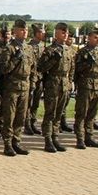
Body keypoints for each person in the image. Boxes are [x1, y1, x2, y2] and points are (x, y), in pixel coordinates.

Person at [0, 19, 36, 156]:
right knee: (10, 117)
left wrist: (33, 83)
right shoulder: (9, 48)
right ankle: (7, 144)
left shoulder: (29, 48)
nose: (25, 32)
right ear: (15, 31)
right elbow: (4, 69)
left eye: (26, 30)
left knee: (21, 116)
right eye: (22, 30)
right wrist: (15, 59)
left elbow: (33, 69)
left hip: (25, 86)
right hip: (12, 87)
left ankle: (16, 142)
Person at [37, 22, 75, 152]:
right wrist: (53, 59)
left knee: (59, 113)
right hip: (53, 83)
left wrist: (70, 82)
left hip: (64, 84)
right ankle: (48, 140)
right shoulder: (50, 50)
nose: (65, 35)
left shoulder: (69, 49)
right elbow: (41, 68)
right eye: (62, 32)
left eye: (67, 33)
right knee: (50, 113)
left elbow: (72, 69)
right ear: (57, 33)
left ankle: (55, 137)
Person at [73, 28, 98, 149]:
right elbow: (76, 69)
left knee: (92, 113)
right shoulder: (82, 52)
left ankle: (89, 137)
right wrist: (86, 63)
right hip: (85, 84)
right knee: (82, 113)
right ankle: (80, 138)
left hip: (97, 84)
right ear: (89, 38)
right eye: (96, 37)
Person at [25, 23, 46, 135]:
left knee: (36, 102)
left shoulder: (43, 46)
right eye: (41, 32)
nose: (43, 34)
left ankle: (33, 122)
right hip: (30, 77)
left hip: (40, 77)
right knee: (28, 102)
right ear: (37, 33)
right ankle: (27, 123)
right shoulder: (29, 46)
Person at [59, 35, 77, 133]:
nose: (70, 40)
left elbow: (73, 67)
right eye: (69, 38)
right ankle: (59, 125)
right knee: (59, 106)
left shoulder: (72, 51)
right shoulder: (60, 50)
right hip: (58, 81)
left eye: (72, 39)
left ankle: (63, 123)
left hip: (68, 80)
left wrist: (71, 81)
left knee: (65, 103)